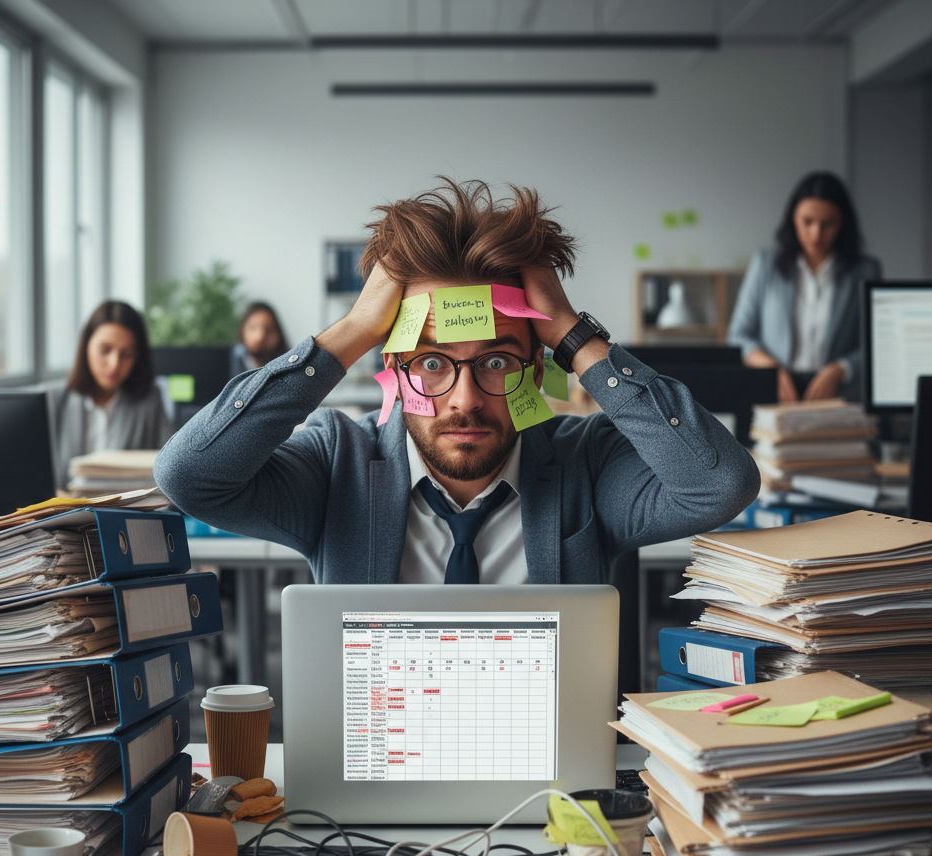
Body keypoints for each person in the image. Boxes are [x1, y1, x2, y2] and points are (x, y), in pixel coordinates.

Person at [155, 180, 759, 585]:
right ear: (393, 368)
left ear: (533, 364)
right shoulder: (339, 461)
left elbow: (721, 484)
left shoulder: (586, 463)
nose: (465, 400)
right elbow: (189, 475)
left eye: (496, 361)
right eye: (432, 362)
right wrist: (358, 329)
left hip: (549, 772)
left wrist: (572, 333)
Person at [727, 171, 881, 403]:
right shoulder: (765, 265)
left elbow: (876, 342)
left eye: (828, 224)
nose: (816, 233)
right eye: (807, 222)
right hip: (776, 392)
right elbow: (739, 336)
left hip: (840, 395)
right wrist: (772, 371)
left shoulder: (865, 270)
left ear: (843, 223)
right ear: (793, 219)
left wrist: (840, 369)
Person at [48, 300, 173, 490]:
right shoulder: (54, 400)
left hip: (124, 515)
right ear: (86, 347)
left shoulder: (149, 400)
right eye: (105, 350)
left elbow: (174, 465)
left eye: (126, 354)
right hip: (62, 515)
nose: (114, 364)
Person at [230, 301, 289, 377]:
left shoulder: (288, 366)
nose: (260, 337)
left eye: (269, 330)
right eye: (252, 328)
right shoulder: (235, 357)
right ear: (242, 330)